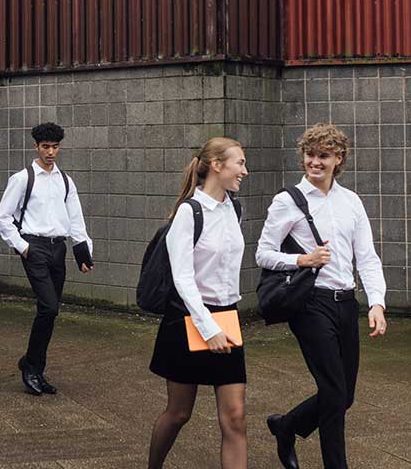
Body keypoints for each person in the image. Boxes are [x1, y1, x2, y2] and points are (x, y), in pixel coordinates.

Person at [256, 123, 387, 469]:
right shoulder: (287, 202)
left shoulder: (351, 201)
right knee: (332, 392)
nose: (314, 162)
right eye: (309, 155)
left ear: (338, 159)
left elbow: (368, 257)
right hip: (311, 304)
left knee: (344, 397)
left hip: (346, 304)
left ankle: (286, 426)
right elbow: (263, 253)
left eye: (323, 156)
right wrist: (303, 259)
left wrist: (377, 302)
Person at [147, 137, 249, 469]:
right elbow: (183, 279)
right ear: (217, 165)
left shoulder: (235, 208)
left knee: (235, 417)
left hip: (227, 317)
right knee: (178, 413)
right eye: (240, 163)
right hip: (188, 319)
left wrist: (223, 322)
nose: (245, 171)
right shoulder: (188, 213)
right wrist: (208, 328)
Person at [0, 122, 94, 396]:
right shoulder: (23, 178)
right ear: (36, 147)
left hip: (58, 249)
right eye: (46, 147)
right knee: (48, 308)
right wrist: (23, 247)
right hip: (34, 247)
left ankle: (32, 363)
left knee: (50, 310)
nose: (51, 152)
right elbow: (3, 216)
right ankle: (32, 369)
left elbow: (75, 216)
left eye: (55, 147)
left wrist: (81, 249)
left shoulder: (65, 180)